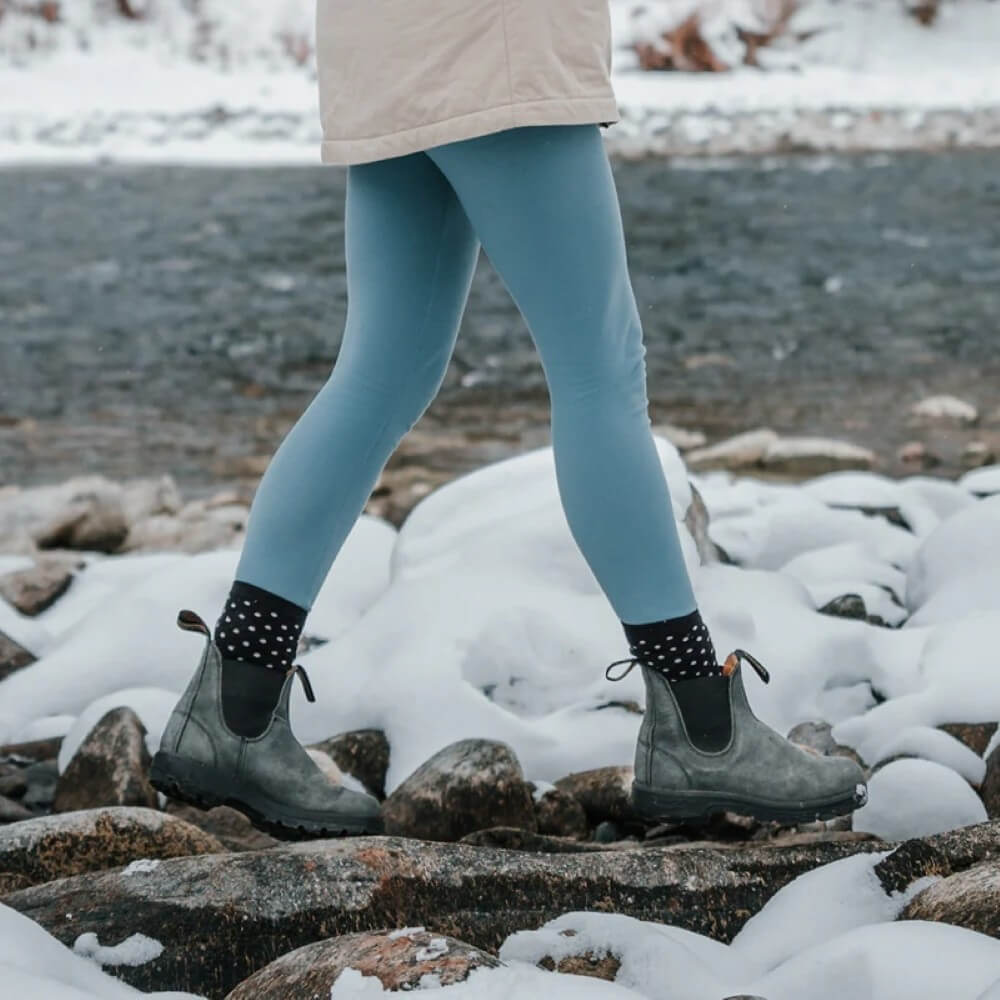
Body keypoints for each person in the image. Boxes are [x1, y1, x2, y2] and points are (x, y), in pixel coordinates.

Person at [150, 0, 867, 837]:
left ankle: (236, 712)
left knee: (383, 373)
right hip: (497, 42)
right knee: (602, 370)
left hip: (384, 42)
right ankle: (702, 730)